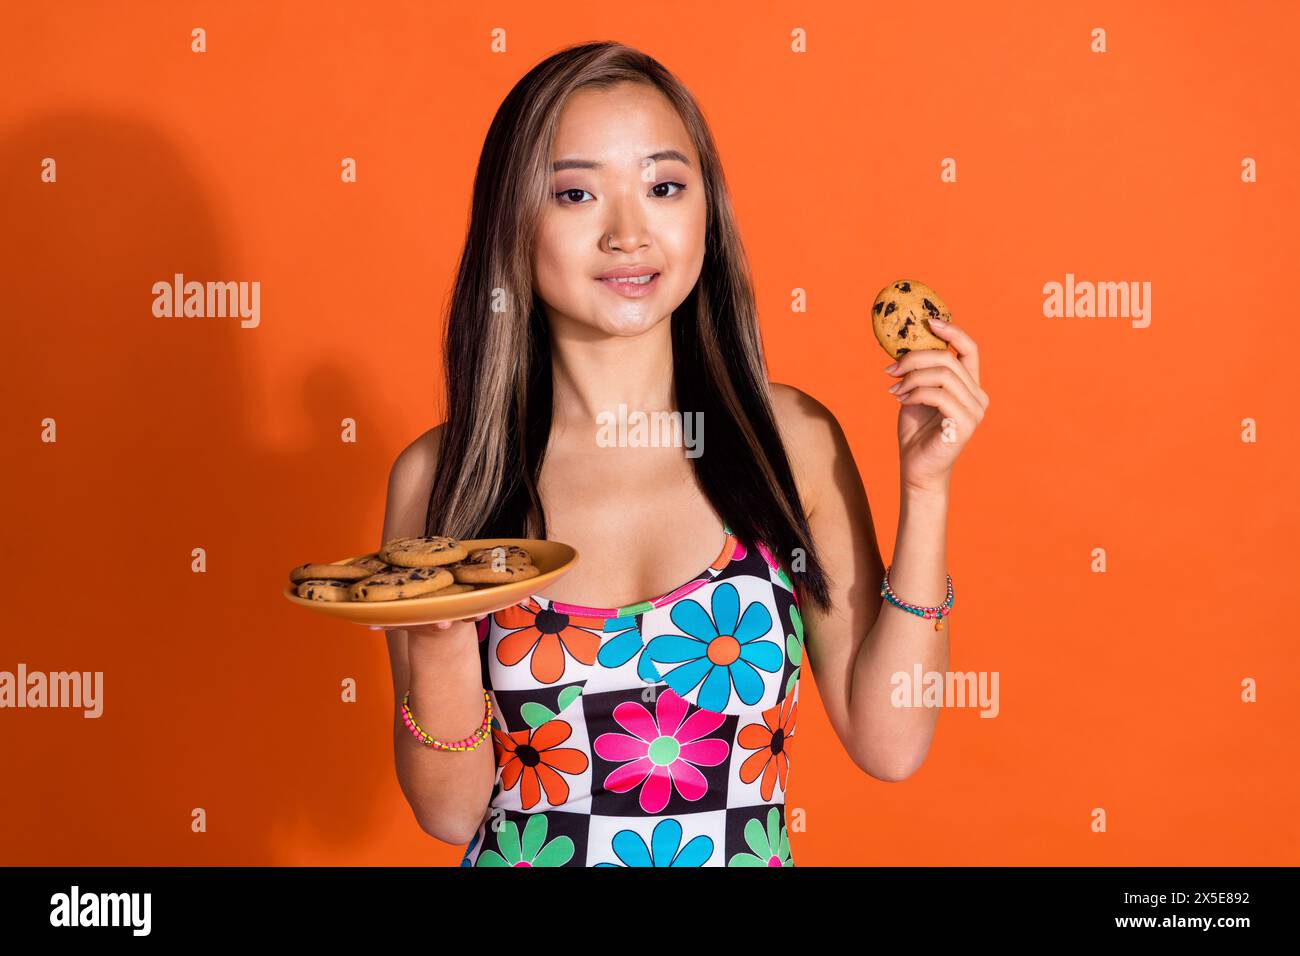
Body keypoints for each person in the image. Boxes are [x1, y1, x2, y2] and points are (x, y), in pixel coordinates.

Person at [381, 41, 990, 867]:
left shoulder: (791, 443)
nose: (629, 234)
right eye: (576, 193)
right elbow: (451, 815)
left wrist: (927, 489)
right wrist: (442, 636)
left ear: (707, 213)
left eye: (665, 187)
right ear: (512, 220)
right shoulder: (442, 478)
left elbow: (891, 744)